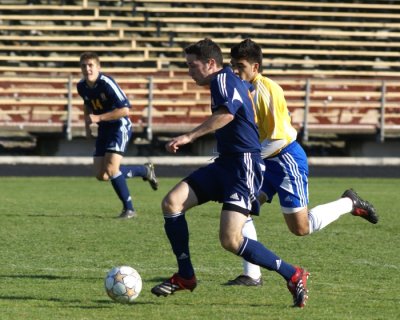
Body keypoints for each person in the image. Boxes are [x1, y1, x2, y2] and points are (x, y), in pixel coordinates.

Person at [150, 38, 310, 308]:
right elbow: (243, 96)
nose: (188, 70)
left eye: (192, 65)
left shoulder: (221, 80)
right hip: (226, 163)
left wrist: (190, 136)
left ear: (211, 63)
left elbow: (227, 115)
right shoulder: (226, 80)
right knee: (171, 202)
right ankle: (186, 276)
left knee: (230, 240)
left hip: (243, 167)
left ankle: (293, 274)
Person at [227, 38, 378, 285]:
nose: (235, 70)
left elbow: (278, 139)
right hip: (268, 161)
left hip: (286, 160)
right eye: (233, 64)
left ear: (255, 67)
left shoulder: (268, 90)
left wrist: (248, 158)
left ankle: (349, 202)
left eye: (240, 65)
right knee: (242, 206)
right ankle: (252, 274)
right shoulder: (246, 89)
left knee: (301, 228)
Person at [77, 52, 158, 219]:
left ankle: (129, 209)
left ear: (98, 67)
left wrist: (98, 118)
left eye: (91, 65)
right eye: (84, 66)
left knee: (112, 168)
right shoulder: (81, 86)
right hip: (103, 129)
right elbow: (87, 105)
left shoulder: (107, 83)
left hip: (119, 126)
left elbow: (125, 110)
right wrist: (87, 127)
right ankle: (144, 171)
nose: (87, 69)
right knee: (102, 175)